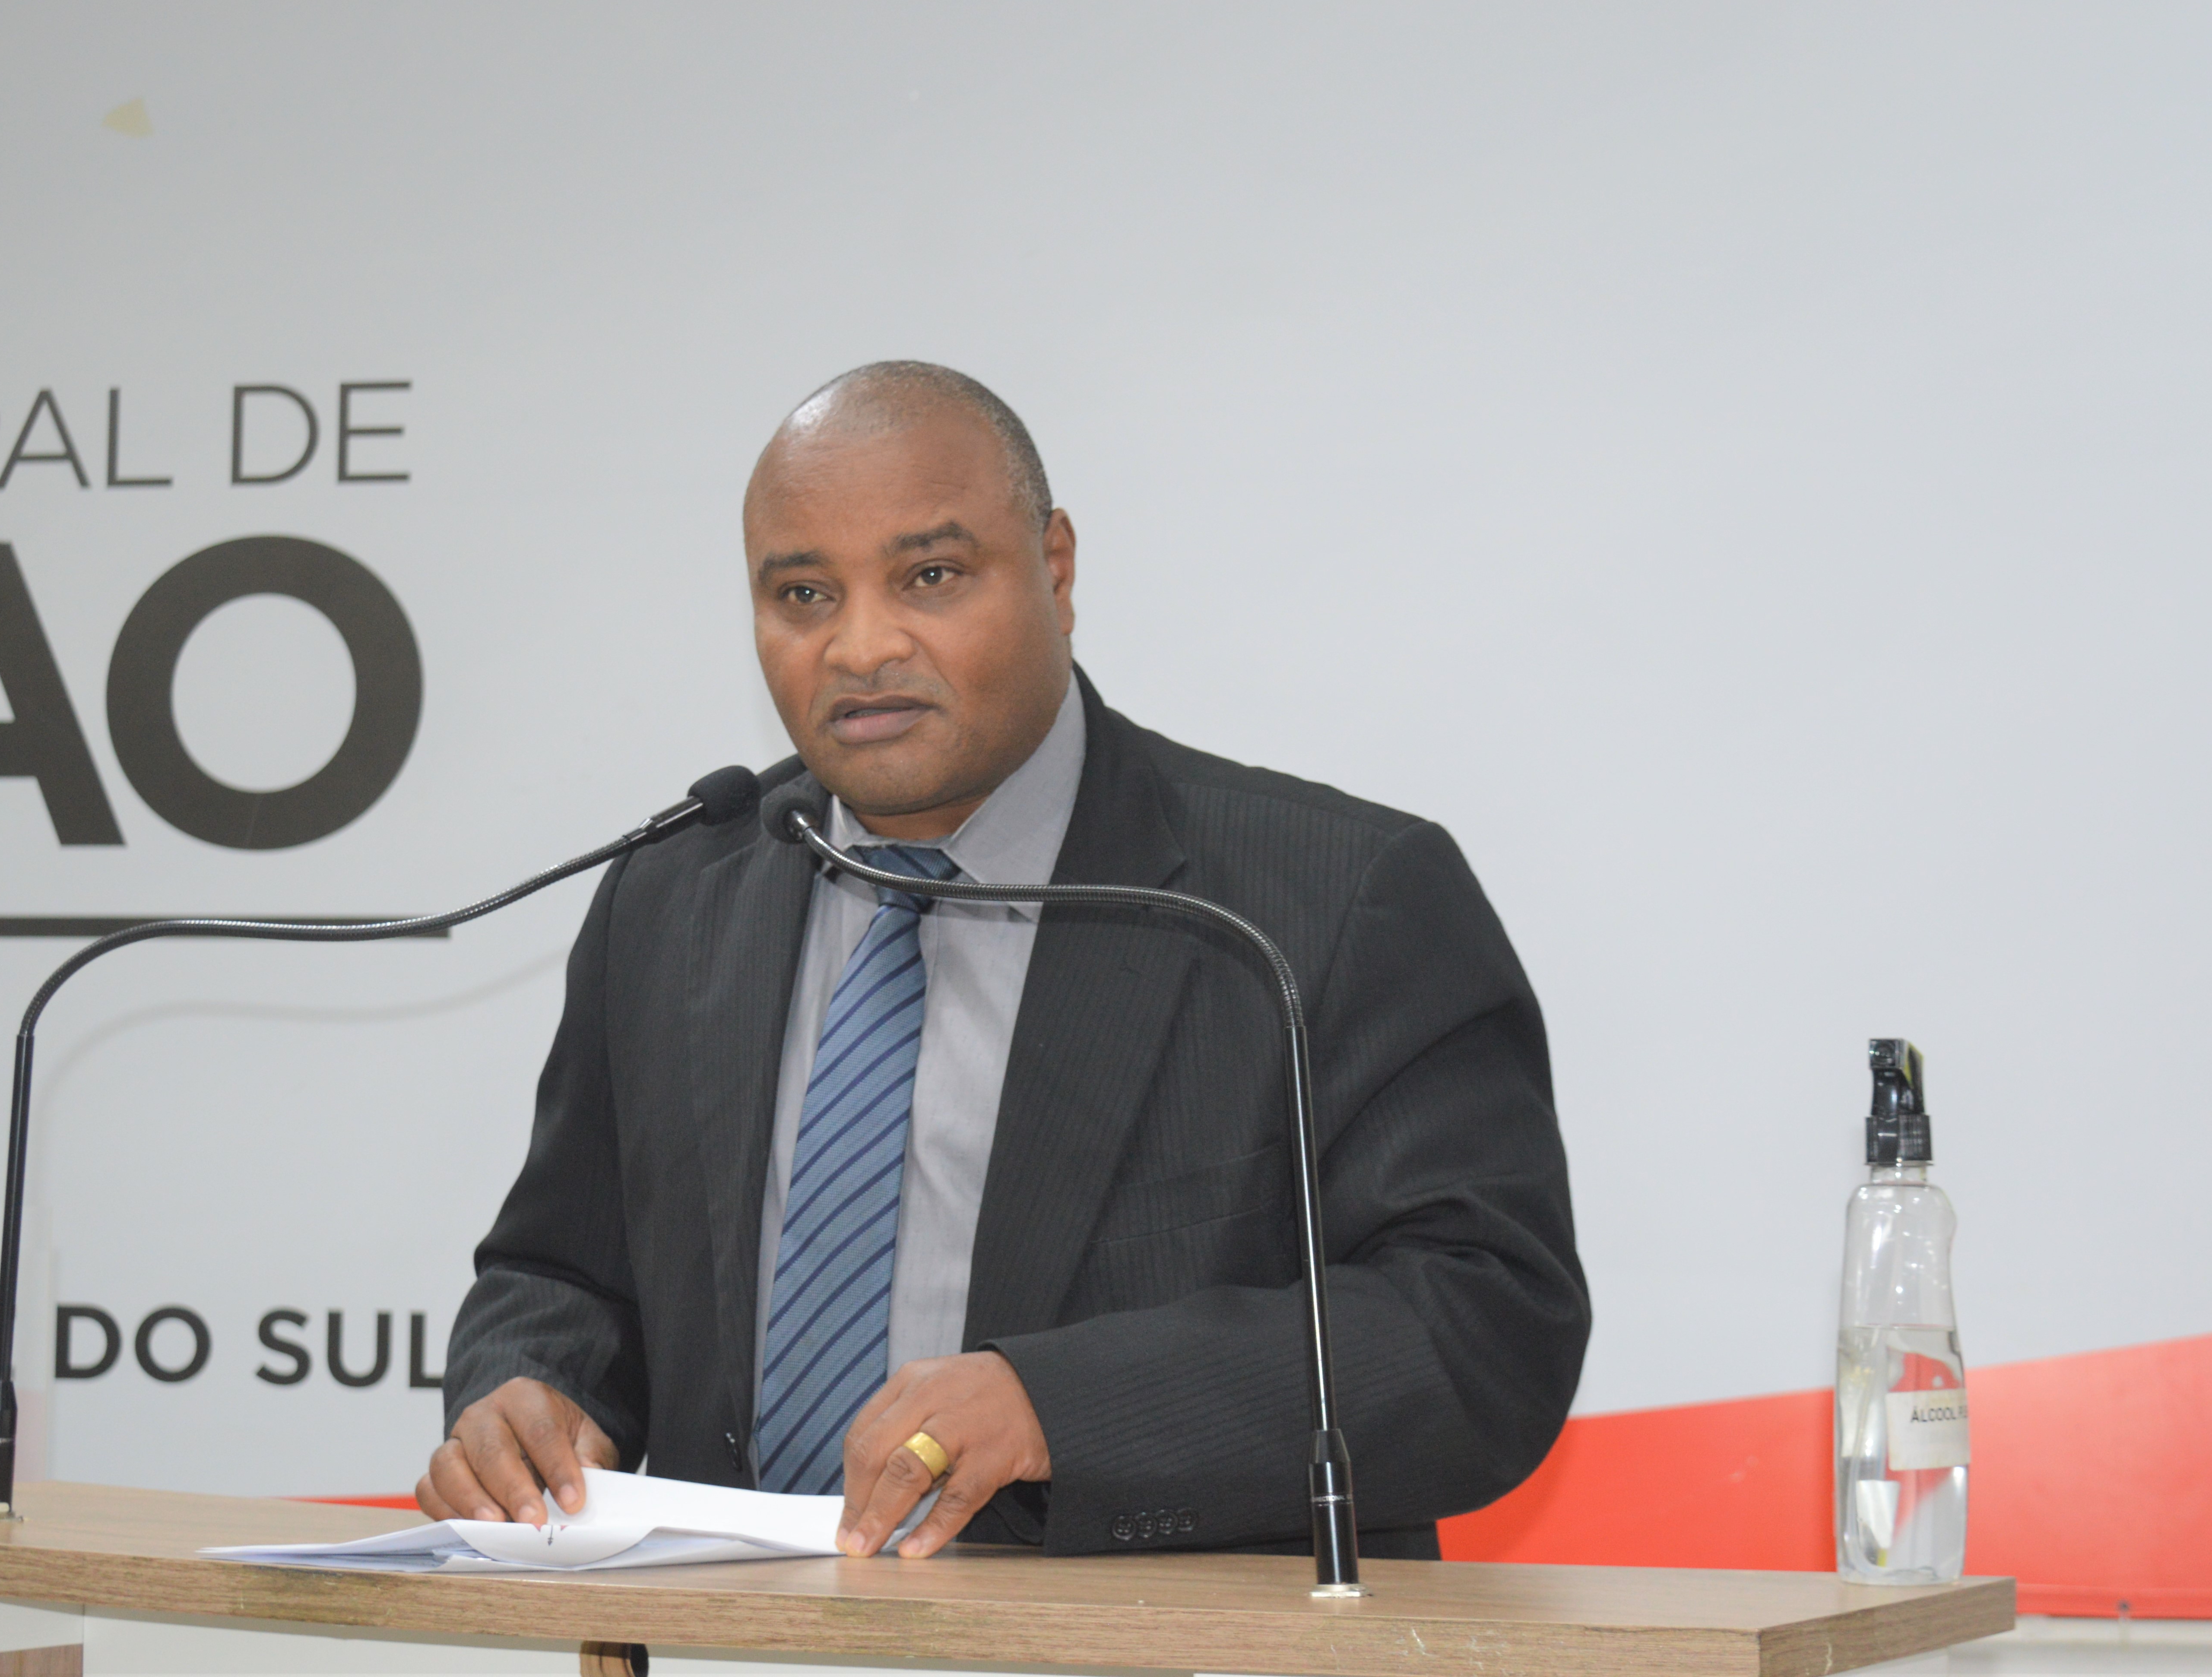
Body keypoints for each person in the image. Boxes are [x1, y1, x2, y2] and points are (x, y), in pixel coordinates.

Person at [422, 362, 1587, 1562]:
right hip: (736, 1632)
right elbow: (564, 1272)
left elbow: (1484, 1328)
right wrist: (531, 1385)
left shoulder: (1326, 900)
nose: (861, 647)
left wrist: (1057, 1407)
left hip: (1156, 1640)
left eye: (931, 576)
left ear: (1056, 571)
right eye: (804, 594)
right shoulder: (675, 897)